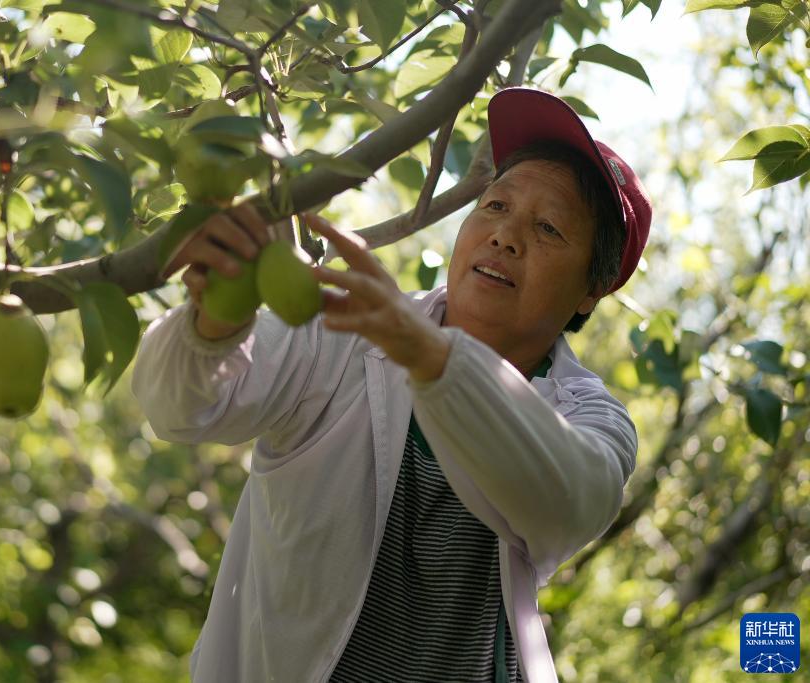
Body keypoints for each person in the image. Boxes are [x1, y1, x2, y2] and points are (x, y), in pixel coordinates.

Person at [131, 87, 652, 683]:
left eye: (550, 228)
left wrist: (432, 359)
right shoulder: (341, 333)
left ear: (592, 288)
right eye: (496, 205)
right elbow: (177, 408)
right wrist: (215, 326)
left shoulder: (592, 418)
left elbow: (567, 501)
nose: (506, 237)